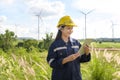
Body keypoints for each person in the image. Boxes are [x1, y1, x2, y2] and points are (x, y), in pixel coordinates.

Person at [47, 15, 91, 80]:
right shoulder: (55, 45)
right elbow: (51, 62)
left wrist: (87, 53)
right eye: (68, 28)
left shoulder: (76, 43)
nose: (71, 30)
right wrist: (66, 60)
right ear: (61, 29)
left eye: (72, 28)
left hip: (76, 77)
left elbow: (82, 59)